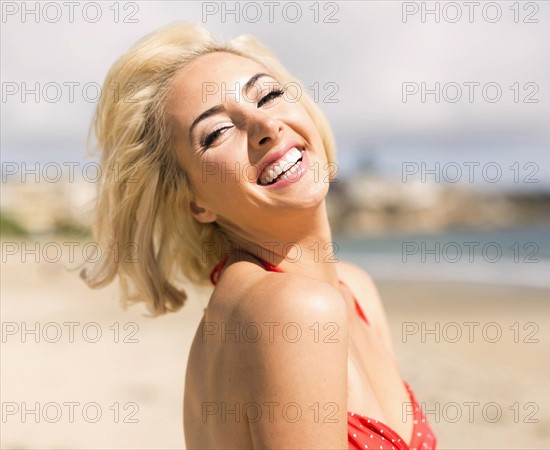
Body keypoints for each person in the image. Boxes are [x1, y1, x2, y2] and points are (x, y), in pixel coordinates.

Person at [83, 22, 437, 449]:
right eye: (215, 133)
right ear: (194, 201)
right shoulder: (292, 312)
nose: (264, 124)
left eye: (267, 95)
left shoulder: (353, 290)